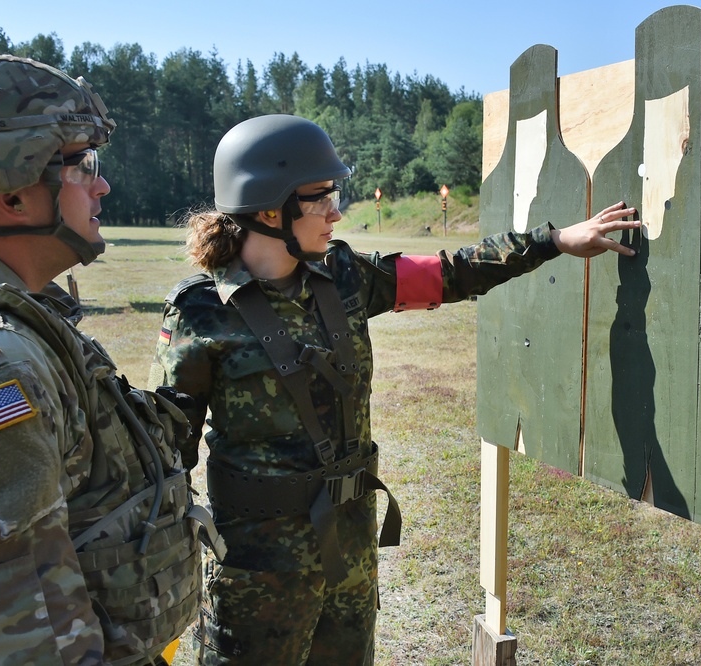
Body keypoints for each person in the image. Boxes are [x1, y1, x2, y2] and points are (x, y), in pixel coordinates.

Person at [148, 114, 639, 665]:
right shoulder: (199, 311)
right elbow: (164, 451)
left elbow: (450, 273)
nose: (337, 211)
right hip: (257, 573)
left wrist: (551, 241)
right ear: (267, 210)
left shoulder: (344, 274)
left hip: (349, 555)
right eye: (319, 198)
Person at [0, 54, 204, 666]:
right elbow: (20, 641)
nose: (101, 185)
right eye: (82, 164)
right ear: (10, 191)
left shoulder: (5, 316)